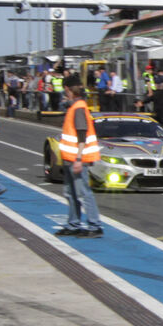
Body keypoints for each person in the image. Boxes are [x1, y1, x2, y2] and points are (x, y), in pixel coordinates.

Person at [54, 77, 103, 238]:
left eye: (65, 90)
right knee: (70, 192)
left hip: (77, 159)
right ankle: (73, 224)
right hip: (70, 158)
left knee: (82, 193)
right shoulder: (74, 107)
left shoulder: (79, 109)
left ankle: (94, 225)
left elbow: (82, 135)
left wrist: (78, 159)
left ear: (68, 89)